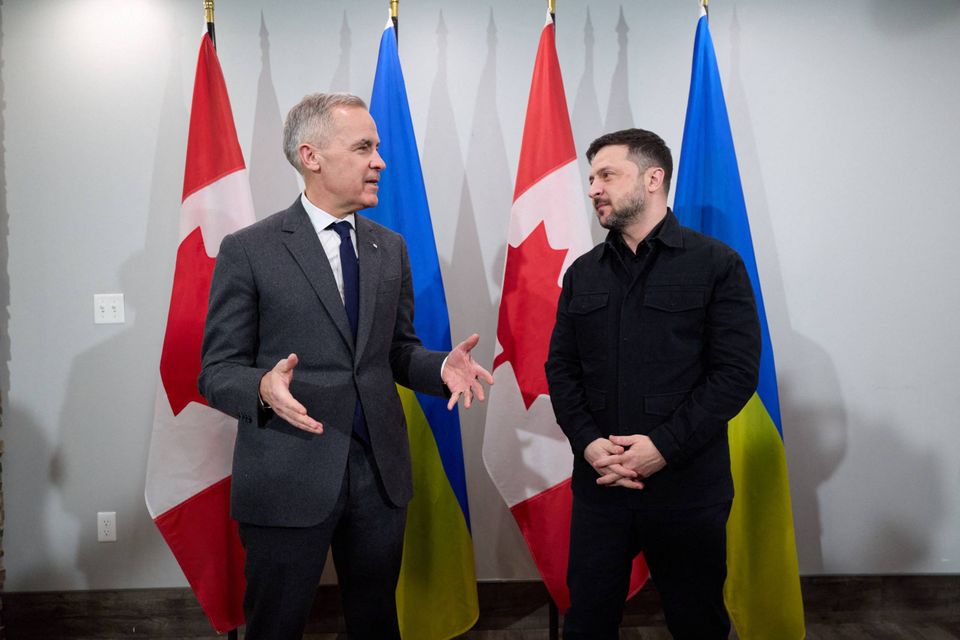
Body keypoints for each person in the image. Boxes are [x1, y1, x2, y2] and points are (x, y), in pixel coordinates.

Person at [198, 92, 493, 640]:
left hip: (379, 475)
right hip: (287, 473)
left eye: (376, 147)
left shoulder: (389, 247)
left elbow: (397, 351)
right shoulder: (250, 249)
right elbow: (216, 370)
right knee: (275, 627)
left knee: (376, 622)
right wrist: (262, 387)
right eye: (363, 148)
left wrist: (439, 369)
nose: (379, 161)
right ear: (311, 156)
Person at [544, 128, 761, 639]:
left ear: (653, 178)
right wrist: (589, 443)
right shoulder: (582, 273)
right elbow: (562, 369)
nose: (593, 188)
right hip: (602, 484)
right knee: (587, 624)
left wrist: (663, 447)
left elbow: (735, 373)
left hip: (687, 487)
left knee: (697, 623)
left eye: (606, 175)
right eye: (591, 178)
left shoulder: (716, 264)